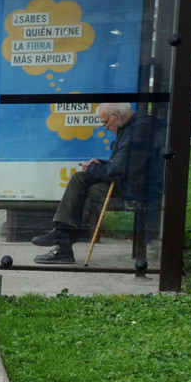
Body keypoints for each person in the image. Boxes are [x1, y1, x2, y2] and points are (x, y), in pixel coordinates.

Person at [31, 102, 157, 263]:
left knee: (80, 193)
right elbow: (123, 163)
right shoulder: (130, 126)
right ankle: (62, 233)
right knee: (79, 178)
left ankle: (64, 243)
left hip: (134, 188)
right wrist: (100, 165)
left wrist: (95, 168)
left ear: (117, 116)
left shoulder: (137, 131)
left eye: (105, 122)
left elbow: (119, 170)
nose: (104, 127)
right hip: (127, 180)